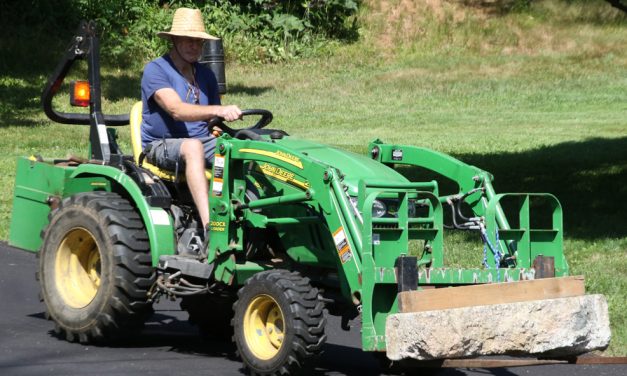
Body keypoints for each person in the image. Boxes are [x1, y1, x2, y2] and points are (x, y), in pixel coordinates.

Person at [140, 7, 242, 232]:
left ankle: (253, 215)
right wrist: (221, 109)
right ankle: (210, 227)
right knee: (193, 147)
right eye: (188, 40)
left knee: (245, 147)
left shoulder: (206, 75)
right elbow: (176, 110)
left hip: (201, 140)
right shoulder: (156, 70)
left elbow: (211, 119)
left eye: (198, 41)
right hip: (161, 144)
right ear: (174, 40)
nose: (194, 46)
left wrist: (220, 126)